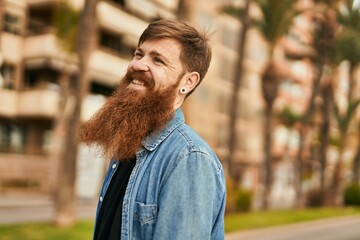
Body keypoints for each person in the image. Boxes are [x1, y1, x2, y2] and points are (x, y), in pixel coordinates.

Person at [79, 19, 226, 240]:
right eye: (139, 54)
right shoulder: (129, 147)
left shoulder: (188, 158)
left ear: (188, 81)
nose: (137, 65)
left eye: (158, 60)